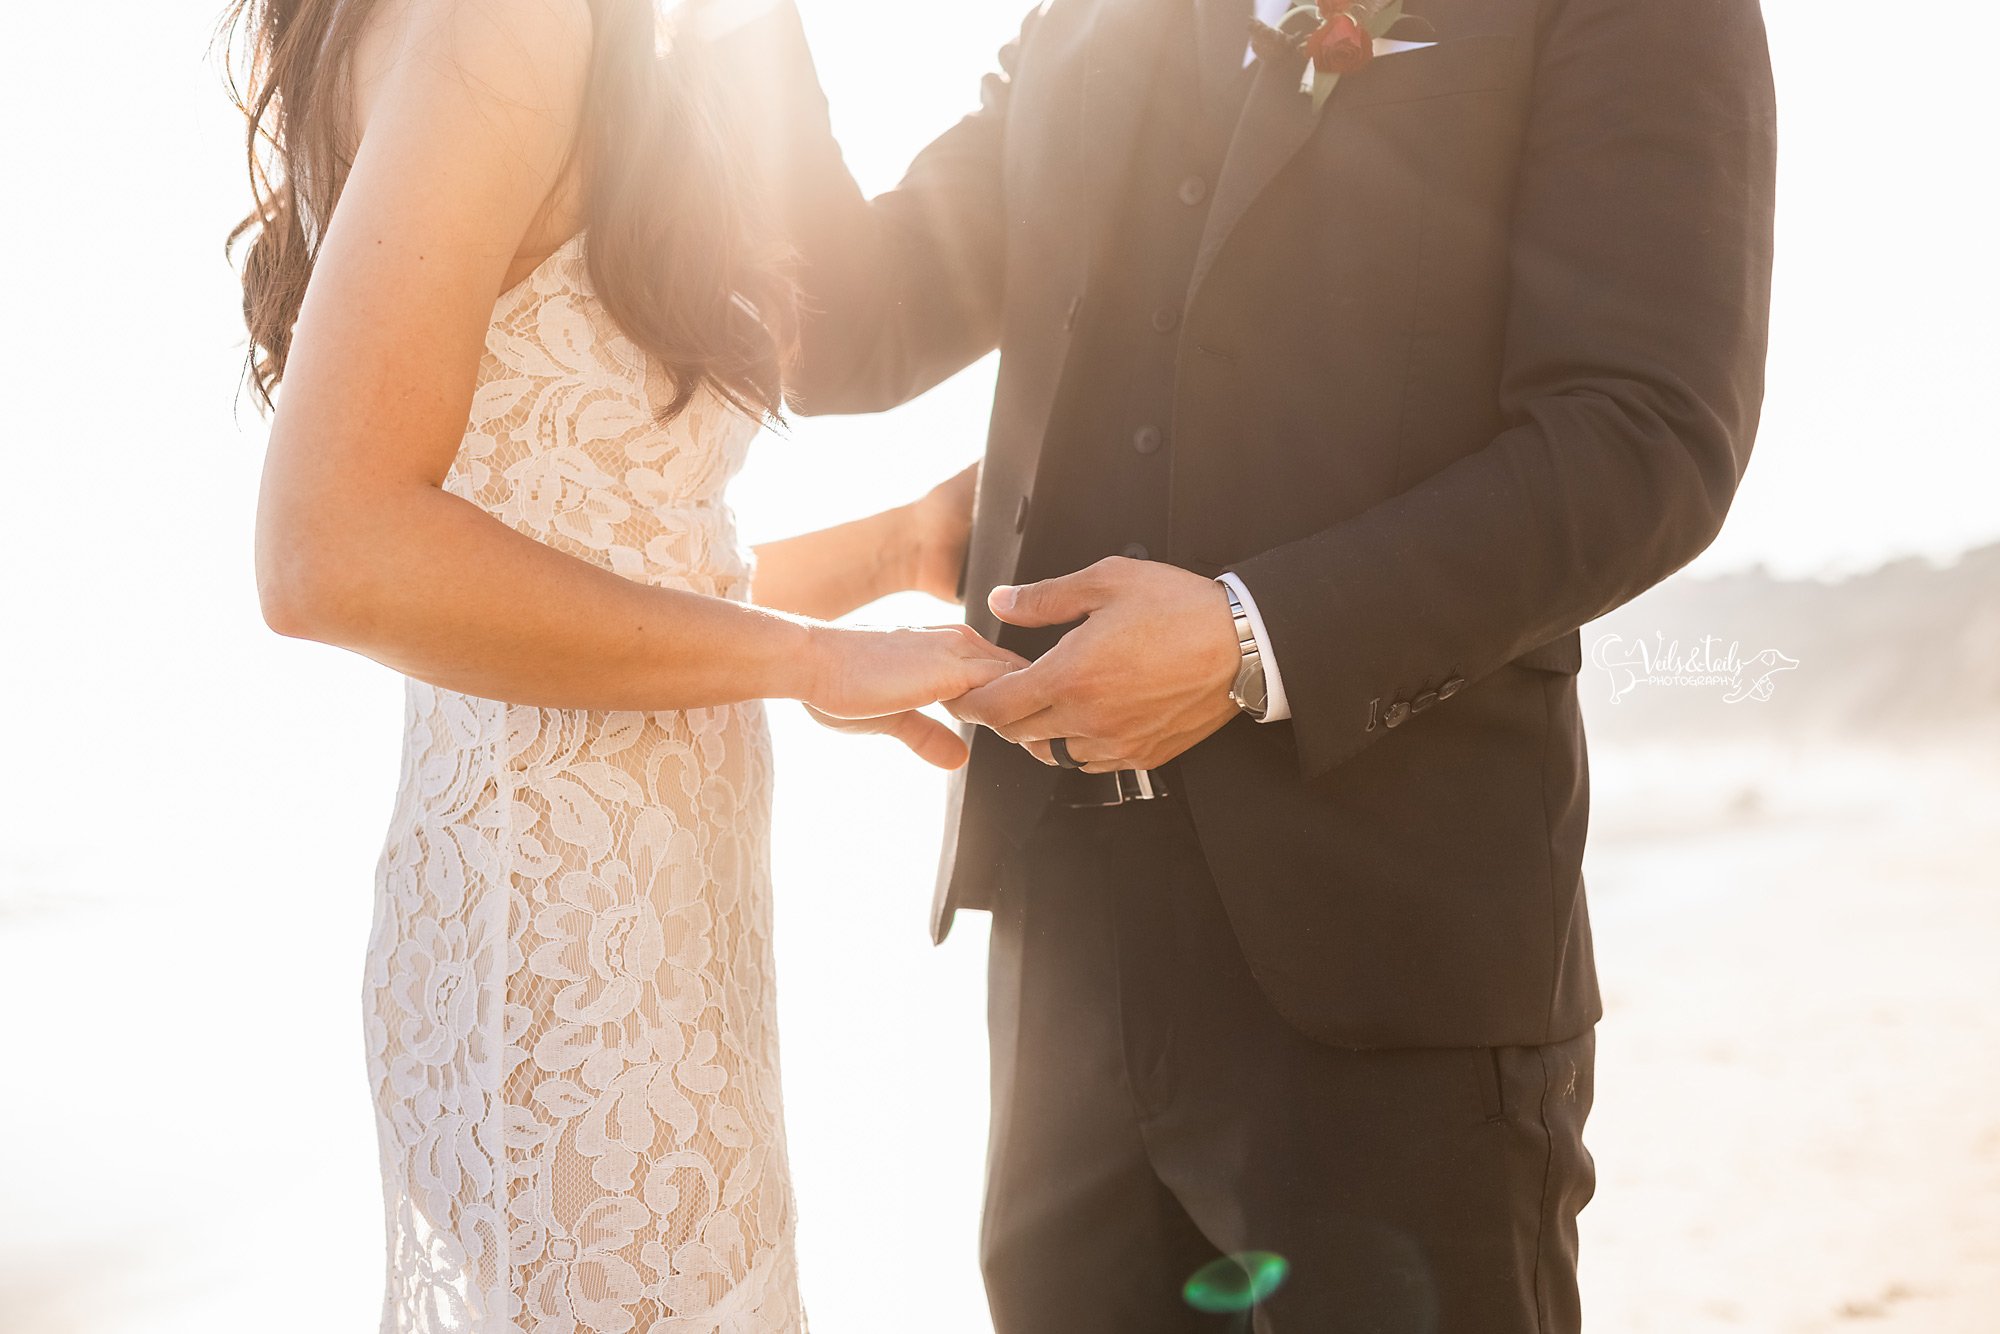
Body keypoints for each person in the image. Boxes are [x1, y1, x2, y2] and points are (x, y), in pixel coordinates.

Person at [712, 0, 1778, 1328]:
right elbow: (848, 324)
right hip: (1062, 954)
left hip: (1390, 965)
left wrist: (1245, 634)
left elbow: (1644, 436)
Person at [223, 0, 1017, 1327]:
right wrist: (805, 658)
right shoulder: (509, 23)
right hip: (574, 948)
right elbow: (328, 549)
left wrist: (883, 558)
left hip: (605, 913)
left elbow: (579, 549)